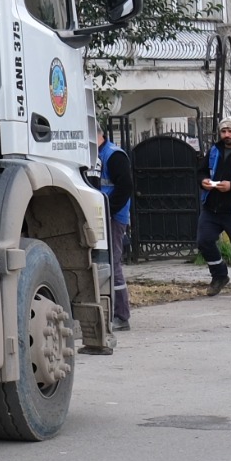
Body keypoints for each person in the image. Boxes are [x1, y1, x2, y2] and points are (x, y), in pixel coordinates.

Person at [200, 118, 231, 298]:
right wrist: (203, 181)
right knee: (204, 241)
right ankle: (220, 276)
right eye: (223, 131)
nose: (226, 135)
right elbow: (202, 170)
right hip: (211, 207)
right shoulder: (214, 150)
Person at [97, 127, 135, 329]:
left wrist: (108, 209)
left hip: (112, 216)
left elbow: (125, 187)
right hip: (98, 214)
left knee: (113, 263)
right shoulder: (94, 153)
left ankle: (121, 315)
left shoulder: (113, 155)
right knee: (104, 263)